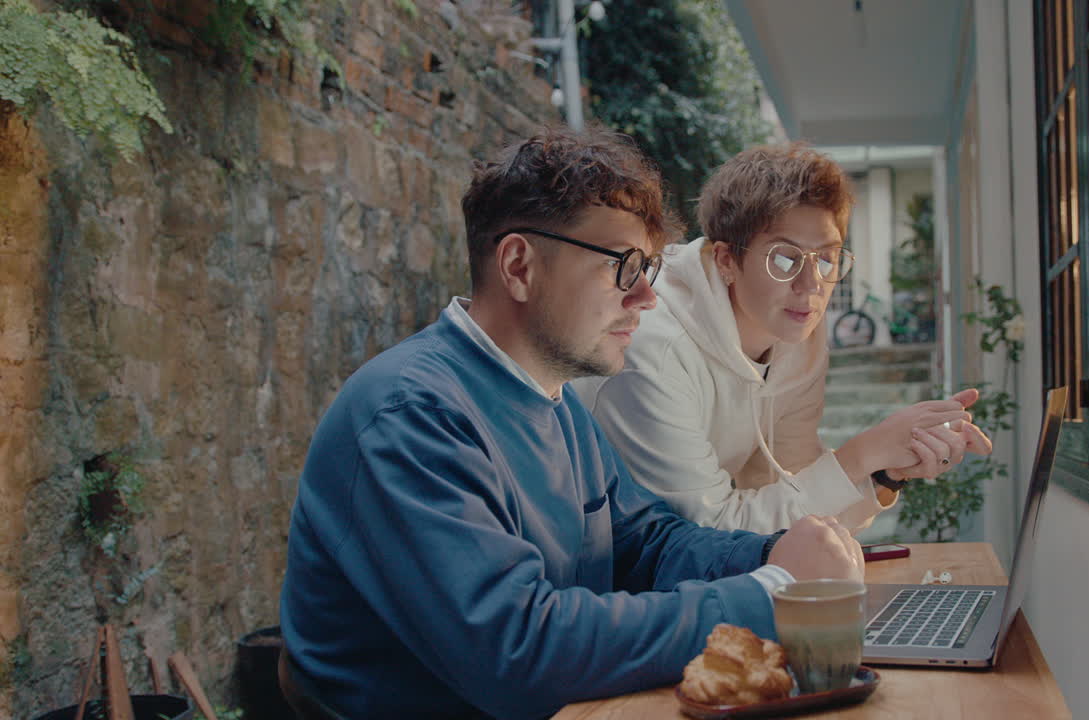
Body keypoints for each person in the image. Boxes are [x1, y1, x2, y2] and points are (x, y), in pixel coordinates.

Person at [278, 128, 864, 719]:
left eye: (649, 268)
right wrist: (770, 593)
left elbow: (647, 545)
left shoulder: (555, 403)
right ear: (519, 266)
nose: (646, 297)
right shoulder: (411, 416)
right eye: (624, 267)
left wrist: (772, 554)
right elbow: (518, 651)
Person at [575, 143, 992, 535]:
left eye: (827, 258)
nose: (811, 285)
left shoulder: (796, 333)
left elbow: (790, 488)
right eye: (785, 258)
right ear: (727, 260)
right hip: (612, 569)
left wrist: (885, 472)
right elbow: (706, 533)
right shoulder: (654, 348)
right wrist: (863, 453)